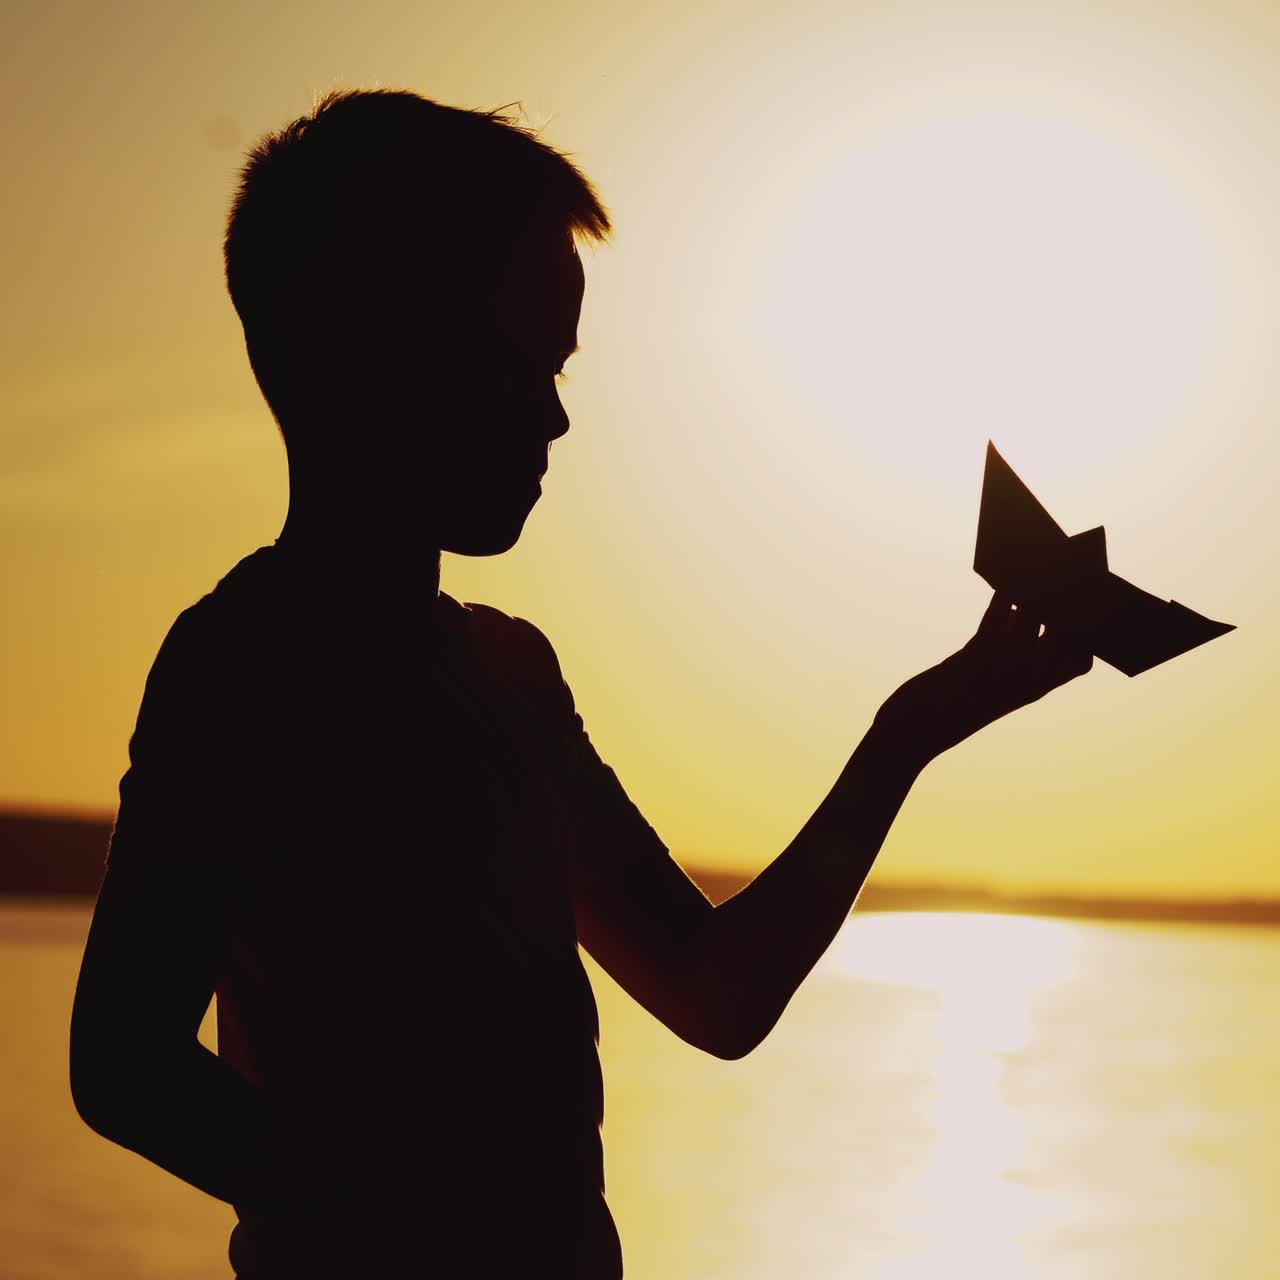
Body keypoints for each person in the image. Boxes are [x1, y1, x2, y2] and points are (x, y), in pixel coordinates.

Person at [69, 88, 1093, 1278]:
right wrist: (381, 1212)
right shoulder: (246, 669)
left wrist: (908, 731)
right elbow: (123, 1065)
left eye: (558, 367)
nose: (553, 416)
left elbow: (713, 993)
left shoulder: (511, 683)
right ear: (370, 357)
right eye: (512, 362)